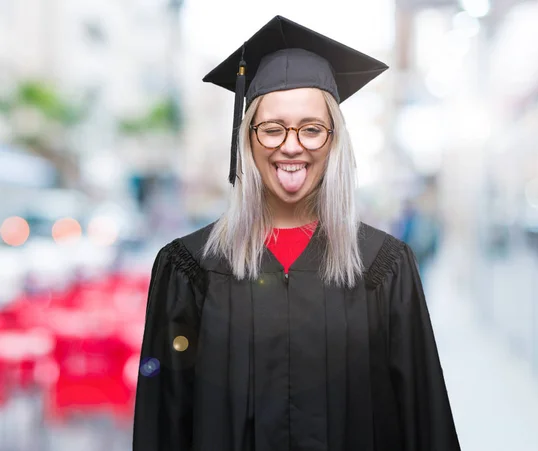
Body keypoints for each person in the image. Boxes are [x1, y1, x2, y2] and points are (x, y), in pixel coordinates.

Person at [132, 15, 461, 451]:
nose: (291, 145)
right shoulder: (190, 271)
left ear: (334, 141)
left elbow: (425, 423)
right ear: (246, 140)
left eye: (311, 129)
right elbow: (163, 427)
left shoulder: (384, 268)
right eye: (272, 129)